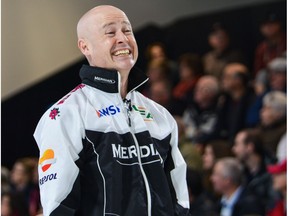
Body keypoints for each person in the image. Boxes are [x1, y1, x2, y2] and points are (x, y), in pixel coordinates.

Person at [33, 5, 189, 216]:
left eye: (127, 30)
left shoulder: (160, 115)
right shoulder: (65, 115)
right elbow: (58, 207)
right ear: (85, 46)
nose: (123, 39)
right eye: (110, 32)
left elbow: (179, 200)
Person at [232, 129, 278, 212]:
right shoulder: (240, 173)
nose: (234, 149)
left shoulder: (272, 171)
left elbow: (274, 203)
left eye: (237, 144)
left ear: (249, 147)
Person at [216, 62, 256, 144]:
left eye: (226, 77)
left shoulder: (252, 101)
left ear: (239, 80)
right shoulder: (225, 100)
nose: (223, 80)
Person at [182, 75, 220, 146]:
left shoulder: (216, 112)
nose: (196, 91)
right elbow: (183, 129)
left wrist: (192, 132)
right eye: (197, 88)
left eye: (201, 89)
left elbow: (208, 133)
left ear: (211, 93)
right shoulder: (191, 107)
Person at [259, 91, 286, 163]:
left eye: (267, 108)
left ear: (279, 112)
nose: (262, 112)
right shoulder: (261, 128)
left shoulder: (284, 132)